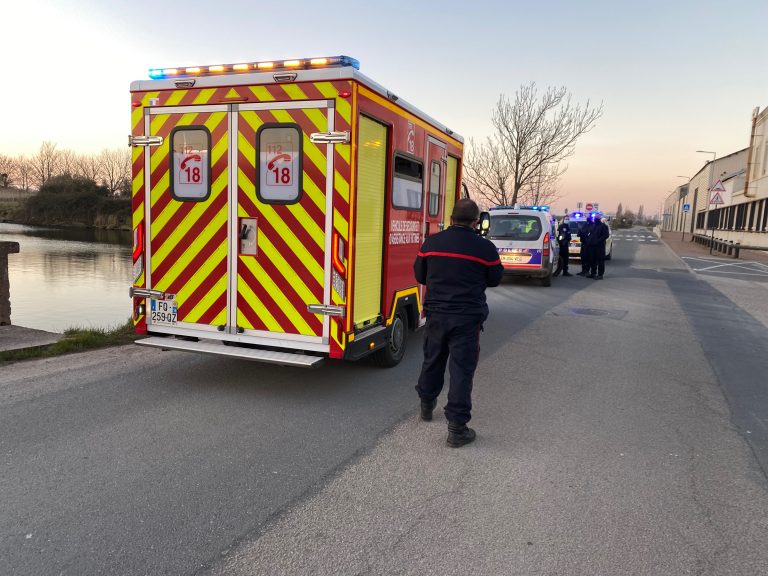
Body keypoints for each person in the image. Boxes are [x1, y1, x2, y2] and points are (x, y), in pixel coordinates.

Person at [413, 198, 503, 447]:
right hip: (466, 318)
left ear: (452, 219)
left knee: (433, 359)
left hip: (436, 314)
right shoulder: (485, 248)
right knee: (461, 370)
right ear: (476, 222)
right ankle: (457, 428)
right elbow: (495, 279)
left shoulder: (432, 243)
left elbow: (419, 275)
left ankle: (426, 404)